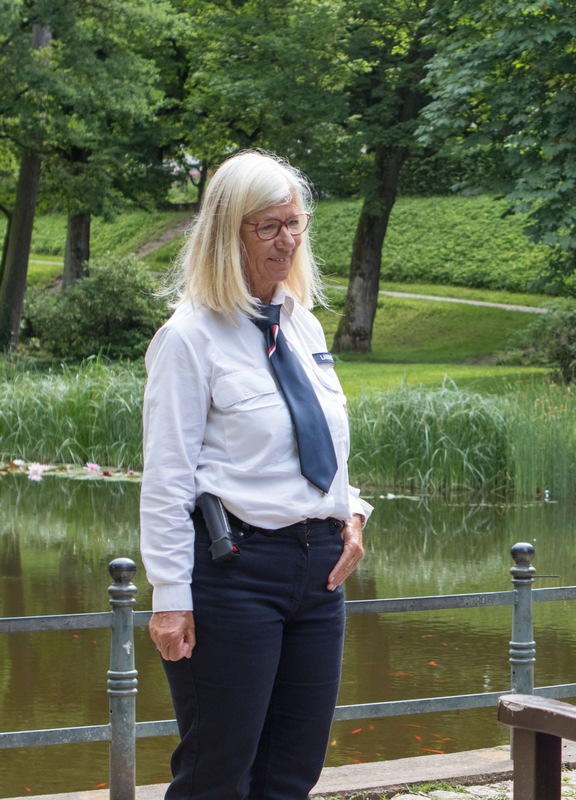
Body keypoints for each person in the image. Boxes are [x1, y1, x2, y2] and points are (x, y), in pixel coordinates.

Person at [140, 150, 371, 800]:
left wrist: (352, 511)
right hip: (235, 574)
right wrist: (169, 598)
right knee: (219, 773)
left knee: (291, 774)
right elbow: (166, 480)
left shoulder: (303, 325)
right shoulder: (190, 338)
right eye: (268, 227)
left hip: (320, 575)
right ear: (226, 231)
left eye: (295, 223)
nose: (288, 240)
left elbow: (319, 440)